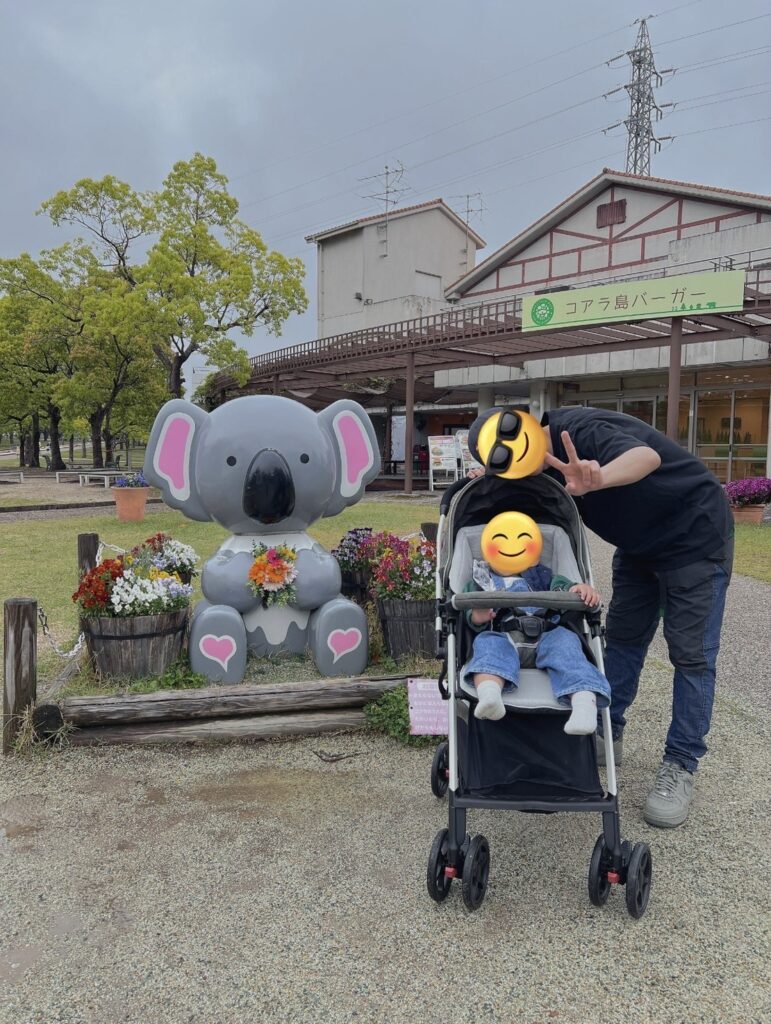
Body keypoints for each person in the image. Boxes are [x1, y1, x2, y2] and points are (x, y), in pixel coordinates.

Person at [469, 406, 733, 828]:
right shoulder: (532, 473)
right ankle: (608, 729)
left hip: (694, 533)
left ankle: (681, 763)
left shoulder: (579, 430)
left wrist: (599, 477)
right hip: (638, 546)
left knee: (692, 656)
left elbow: (646, 457)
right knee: (623, 640)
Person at [464, 512, 611, 733]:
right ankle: (490, 695)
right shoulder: (482, 580)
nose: (512, 547)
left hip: (548, 634)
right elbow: (468, 610)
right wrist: (478, 615)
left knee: (568, 646)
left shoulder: (546, 577)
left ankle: (583, 706)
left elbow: (567, 590)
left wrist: (579, 589)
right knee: (487, 644)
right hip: (505, 635)